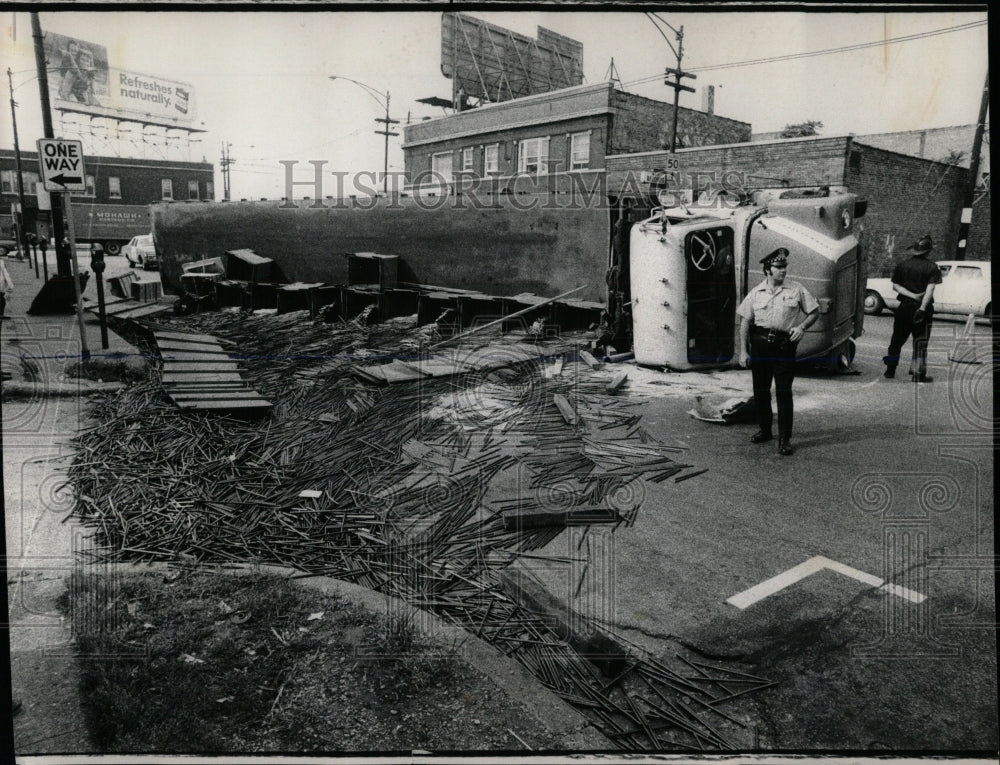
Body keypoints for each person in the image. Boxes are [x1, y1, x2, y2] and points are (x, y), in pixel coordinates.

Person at [738, 248, 819, 456]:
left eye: (785, 267)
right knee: (761, 391)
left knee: (784, 393)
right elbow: (745, 321)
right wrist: (743, 351)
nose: (783, 271)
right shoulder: (756, 293)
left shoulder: (796, 289)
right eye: (779, 267)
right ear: (768, 270)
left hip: (784, 347)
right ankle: (765, 430)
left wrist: (801, 327)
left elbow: (814, 311)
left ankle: (784, 439)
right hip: (760, 347)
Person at [882, 235, 941, 383]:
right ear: (928, 252)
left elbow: (896, 286)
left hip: (904, 307)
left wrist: (912, 295)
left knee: (897, 340)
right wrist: (921, 308)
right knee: (920, 342)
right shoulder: (932, 267)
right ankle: (918, 374)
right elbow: (930, 291)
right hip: (922, 310)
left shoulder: (903, 265)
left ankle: (890, 370)